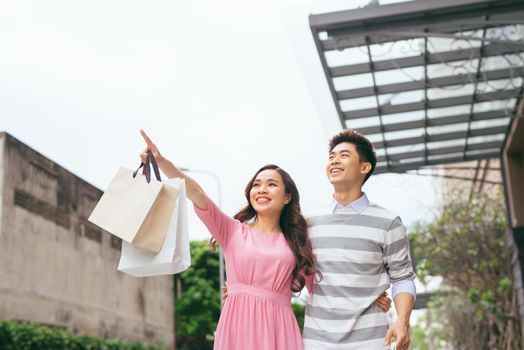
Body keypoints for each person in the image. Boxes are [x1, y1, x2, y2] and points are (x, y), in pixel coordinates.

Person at [138, 129, 319, 350]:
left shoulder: (298, 242)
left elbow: (322, 293)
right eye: (256, 184)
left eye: (271, 184)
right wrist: (161, 161)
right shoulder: (233, 231)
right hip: (237, 328)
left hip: (280, 331)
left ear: (287, 196)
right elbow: (198, 195)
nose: (262, 189)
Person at [302, 129, 416, 350]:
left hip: (371, 342)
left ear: (364, 167)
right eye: (331, 156)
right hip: (317, 342)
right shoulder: (308, 224)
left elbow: (402, 277)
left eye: (344, 155)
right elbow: (288, 269)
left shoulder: (388, 222)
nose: (334, 160)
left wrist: (403, 322)